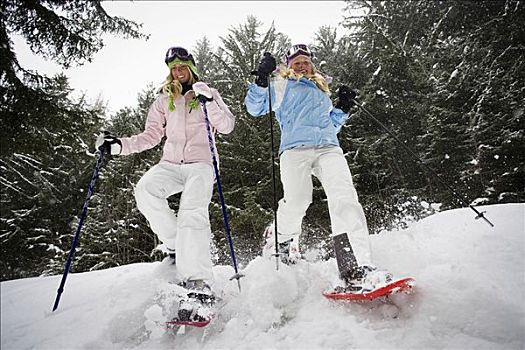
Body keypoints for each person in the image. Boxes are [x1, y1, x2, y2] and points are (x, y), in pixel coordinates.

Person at [95, 46, 235, 318]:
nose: (178, 72)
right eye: (173, 68)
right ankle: (175, 245)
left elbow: (227, 125)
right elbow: (150, 136)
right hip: (170, 163)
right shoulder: (164, 99)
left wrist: (210, 101)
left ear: (191, 67)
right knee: (145, 190)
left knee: (192, 210)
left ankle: (199, 283)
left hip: (201, 163)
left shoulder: (208, 93)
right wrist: (119, 146)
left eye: (182, 67)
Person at [244, 44, 392, 292]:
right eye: (296, 62)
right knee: (299, 200)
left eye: (306, 61)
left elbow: (329, 126)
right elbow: (255, 109)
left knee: (344, 197)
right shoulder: (282, 85)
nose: (302, 65)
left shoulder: (321, 88)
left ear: (312, 63)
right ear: (289, 65)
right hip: (294, 149)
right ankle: (279, 238)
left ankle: (356, 267)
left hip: (327, 147)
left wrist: (343, 108)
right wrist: (261, 80)